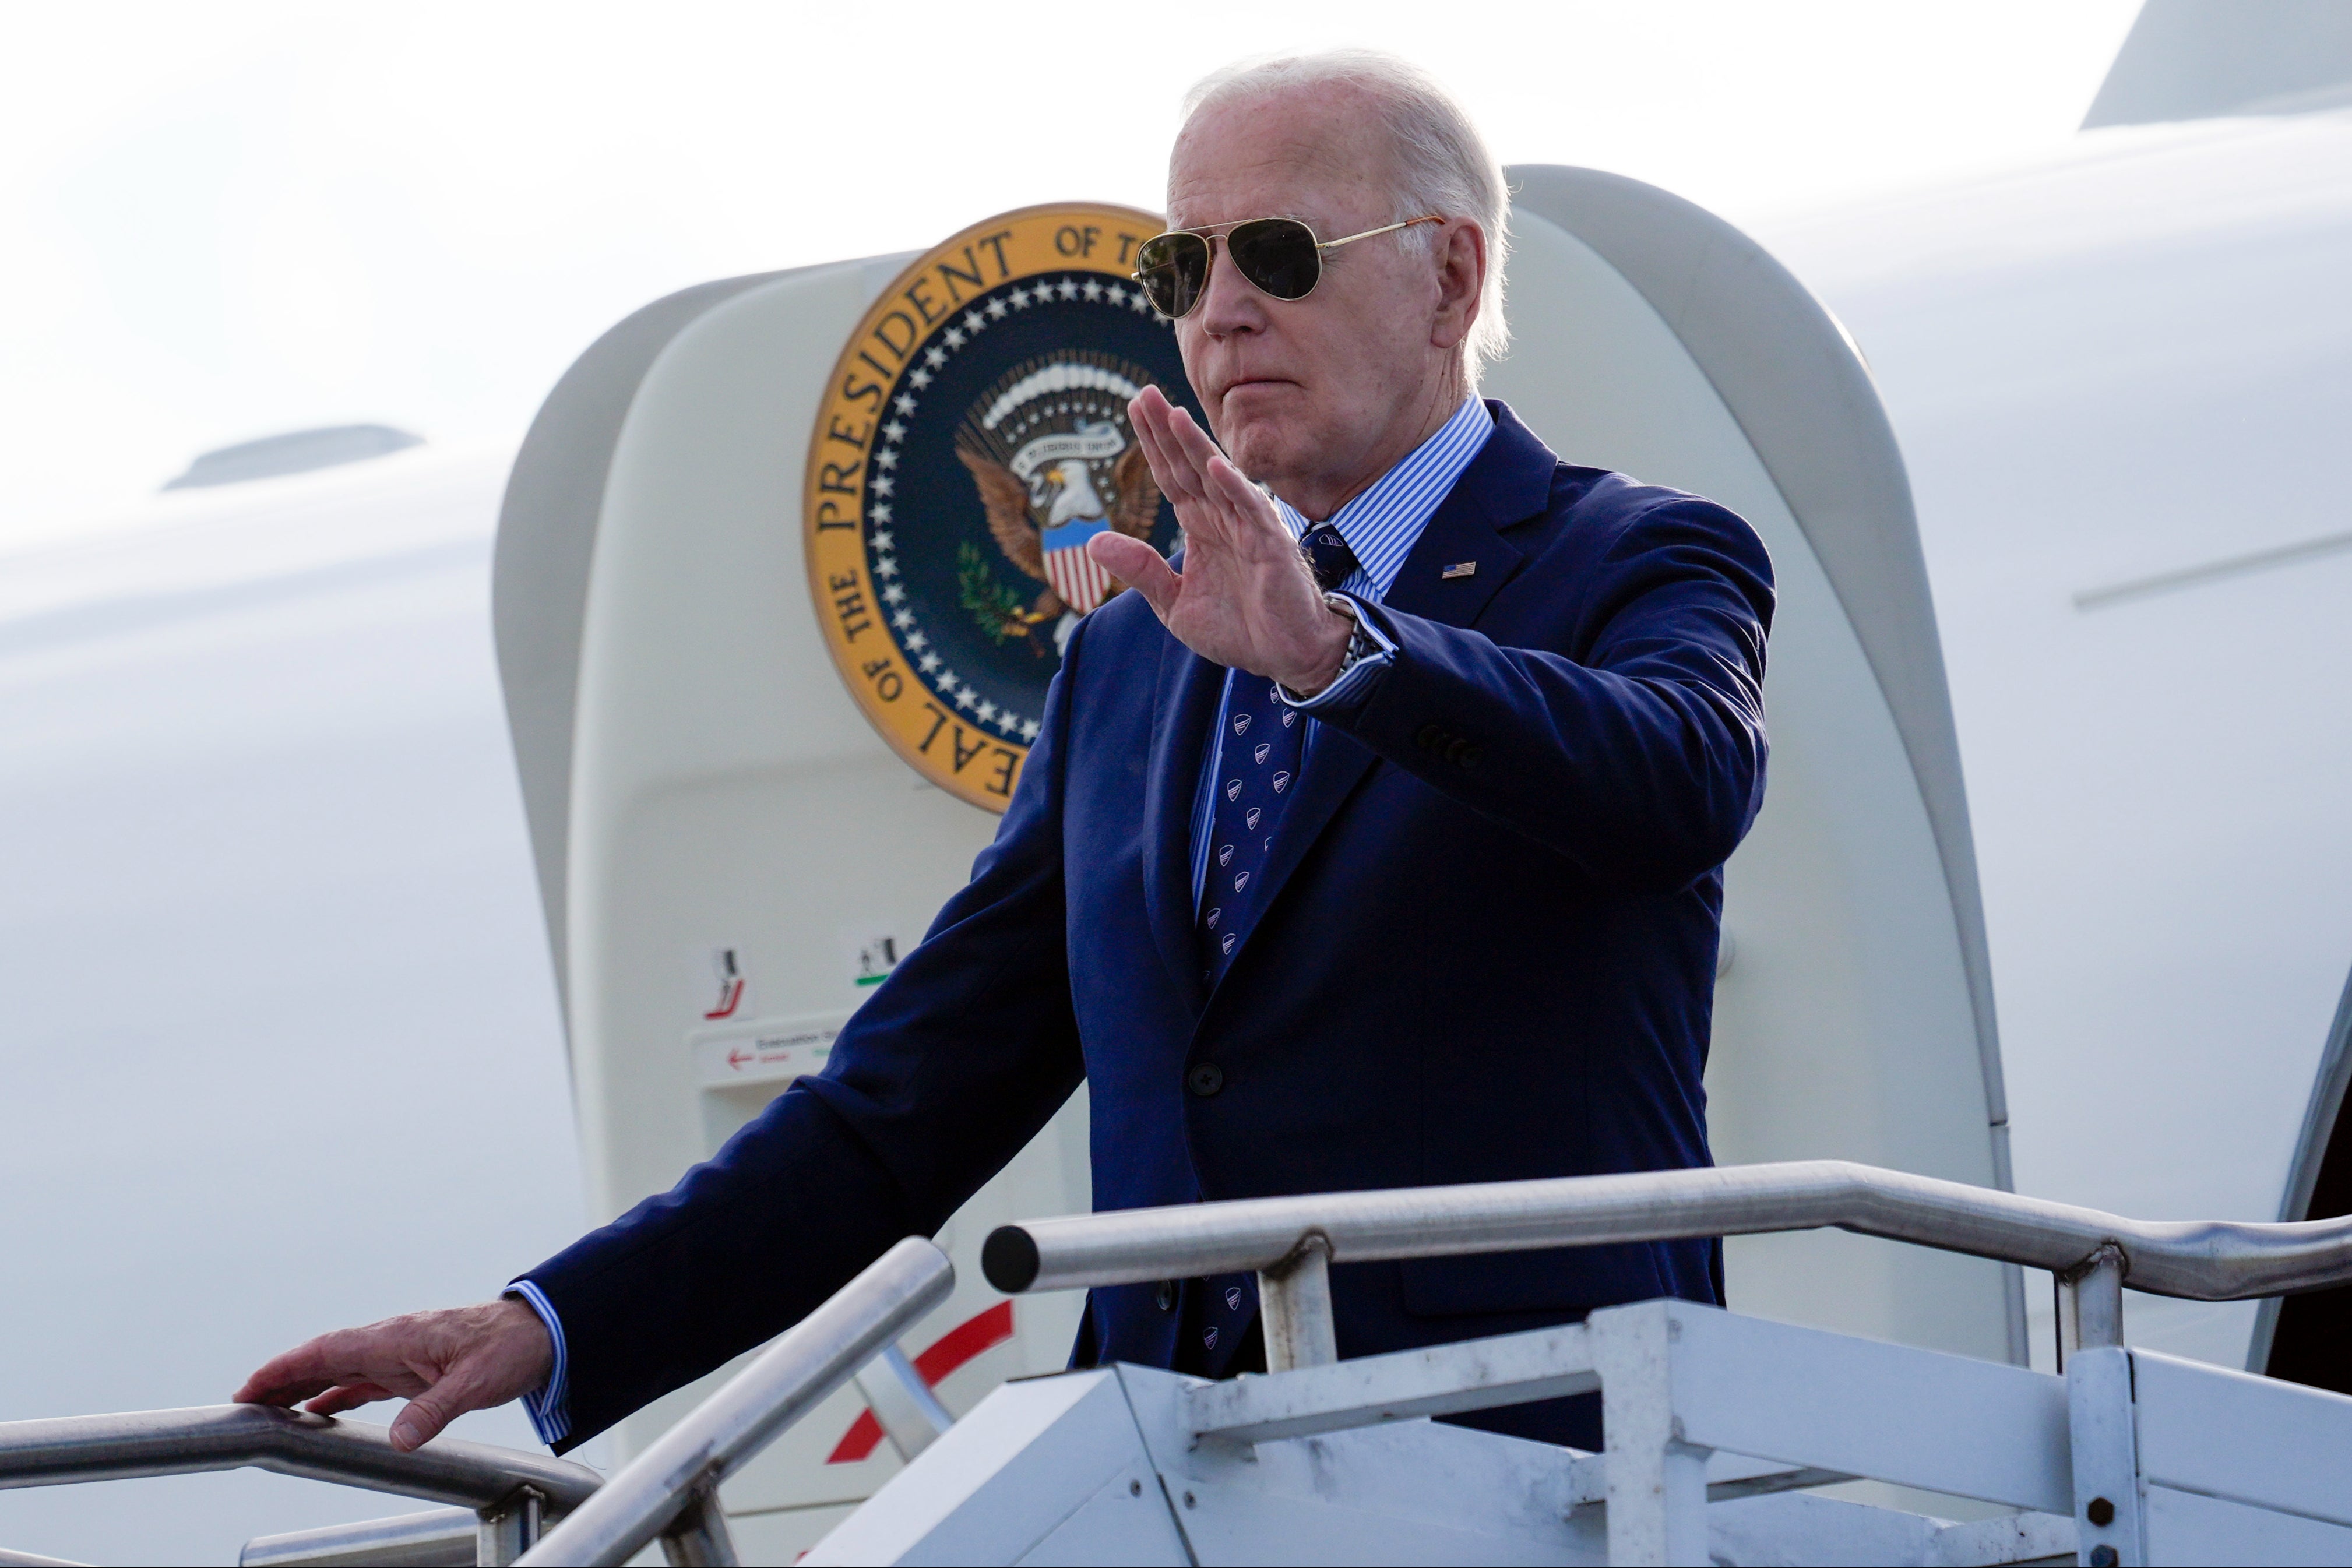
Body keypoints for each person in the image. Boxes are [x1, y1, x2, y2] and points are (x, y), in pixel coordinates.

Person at [237, 49, 1773, 1457]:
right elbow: (906, 1099)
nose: (1220, 307)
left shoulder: (1633, 556)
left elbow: (1677, 779)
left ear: (1450, 278)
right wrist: (546, 1319)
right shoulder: (1130, 652)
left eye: (1282, 254)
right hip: (1172, 1463)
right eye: (1185, 262)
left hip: (1538, 1460)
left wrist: (1335, 657)